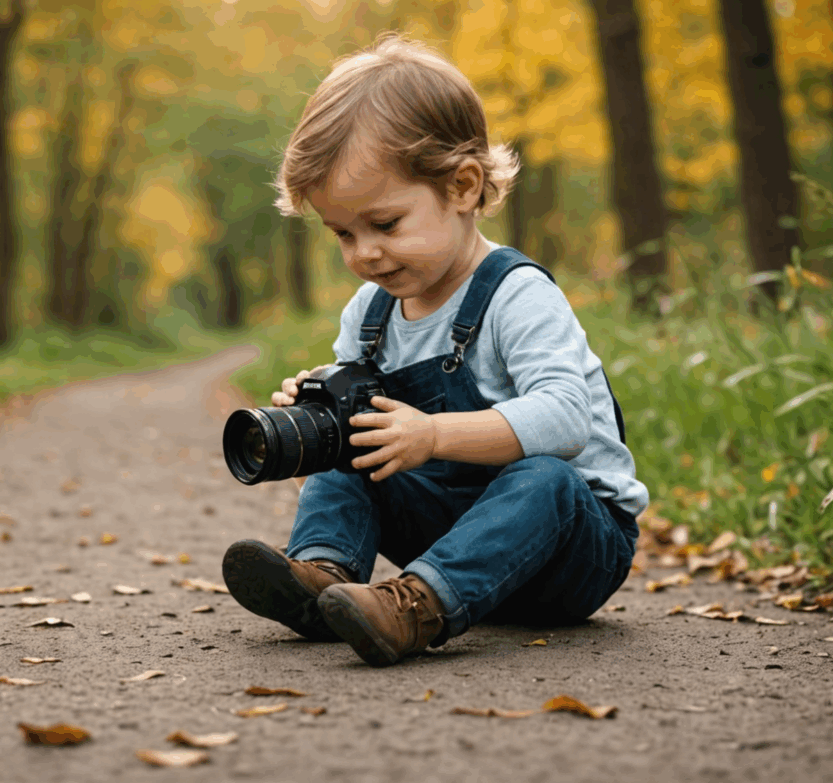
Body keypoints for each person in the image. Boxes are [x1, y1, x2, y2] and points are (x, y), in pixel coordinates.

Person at [221, 35, 648, 668]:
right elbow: (359, 439)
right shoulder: (368, 314)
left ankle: (415, 607)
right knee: (352, 449)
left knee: (546, 477)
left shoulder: (516, 293)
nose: (365, 253)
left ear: (463, 187)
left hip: (571, 545)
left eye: (385, 224)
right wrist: (318, 419)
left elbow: (566, 418)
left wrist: (432, 434)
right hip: (450, 531)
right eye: (343, 234)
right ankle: (323, 577)